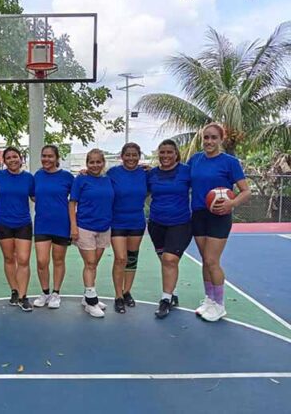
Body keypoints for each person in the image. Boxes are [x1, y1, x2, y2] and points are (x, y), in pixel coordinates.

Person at [188, 123, 250, 322]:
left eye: (214, 137)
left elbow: (246, 191)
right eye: (206, 137)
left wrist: (231, 203)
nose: (209, 141)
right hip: (198, 215)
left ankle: (220, 305)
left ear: (221, 139)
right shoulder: (195, 160)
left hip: (219, 216)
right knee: (205, 260)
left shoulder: (230, 162)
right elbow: (179, 176)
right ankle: (209, 299)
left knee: (212, 261)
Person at [147, 140, 192, 319]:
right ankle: (172, 293)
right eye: (162, 152)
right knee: (165, 261)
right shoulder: (151, 174)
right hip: (156, 224)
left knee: (170, 259)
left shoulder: (186, 171)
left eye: (169, 152)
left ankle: (165, 300)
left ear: (176, 154)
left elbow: (204, 184)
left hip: (180, 223)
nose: (165, 155)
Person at [69, 149, 114, 318]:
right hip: (85, 227)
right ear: (87, 163)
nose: (95, 165)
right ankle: (91, 302)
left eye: (98, 162)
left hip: (104, 228)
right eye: (91, 162)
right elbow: (72, 203)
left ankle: (87, 296)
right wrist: (74, 227)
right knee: (90, 263)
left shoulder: (108, 180)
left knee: (94, 264)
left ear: (103, 163)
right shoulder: (80, 180)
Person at [0, 146, 35, 312]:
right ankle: (15, 291)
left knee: (23, 260)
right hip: (3, 223)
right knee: (9, 258)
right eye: (8, 157)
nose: (12, 160)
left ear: (21, 159)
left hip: (23, 223)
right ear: (4, 161)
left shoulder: (29, 178)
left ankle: (24, 296)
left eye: (15, 156)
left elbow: (36, 196)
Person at [107, 143, 147, 314]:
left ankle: (126, 292)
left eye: (134, 155)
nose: (131, 158)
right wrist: (85, 172)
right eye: (128, 155)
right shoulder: (113, 173)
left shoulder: (145, 174)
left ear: (139, 156)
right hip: (117, 221)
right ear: (122, 156)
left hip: (137, 221)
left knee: (131, 258)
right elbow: (97, 178)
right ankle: (118, 296)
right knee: (120, 258)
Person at [32, 145, 74, 309]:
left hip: (62, 224)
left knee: (58, 260)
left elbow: (77, 196)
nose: (46, 159)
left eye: (50, 156)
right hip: (42, 224)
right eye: (44, 156)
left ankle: (56, 293)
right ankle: (45, 292)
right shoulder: (37, 176)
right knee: (41, 261)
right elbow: (33, 196)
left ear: (57, 158)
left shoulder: (67, 177)